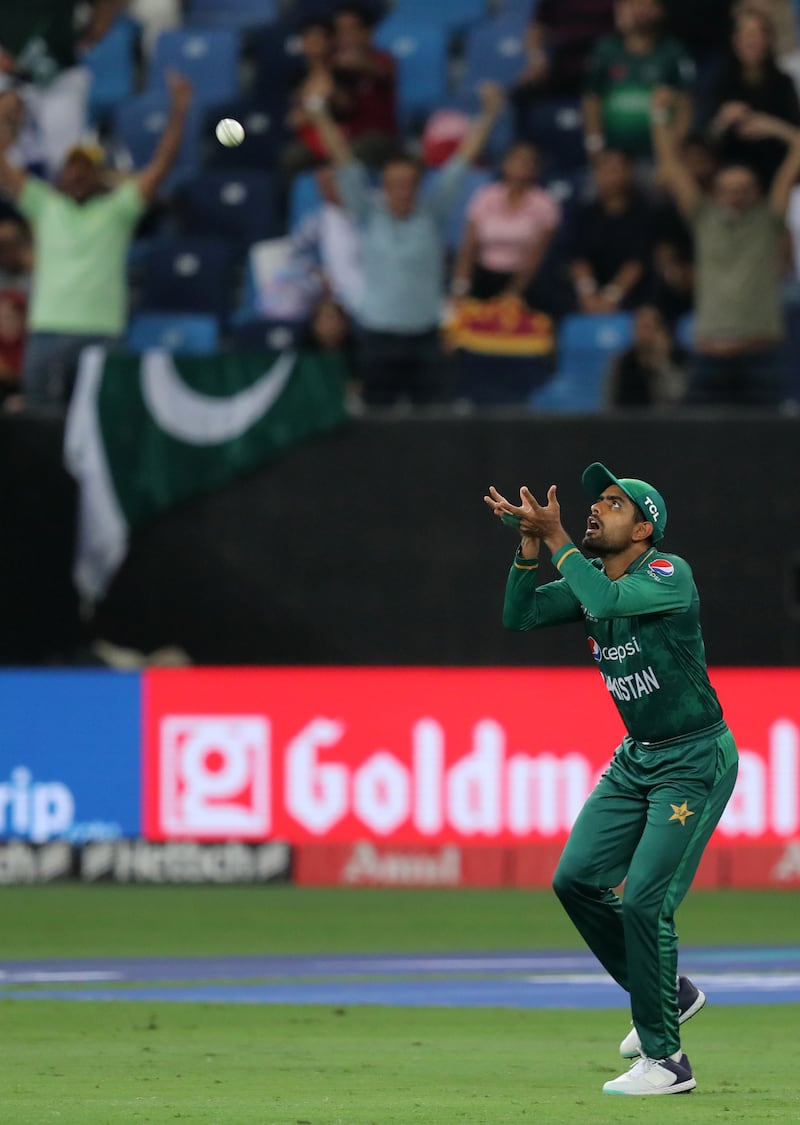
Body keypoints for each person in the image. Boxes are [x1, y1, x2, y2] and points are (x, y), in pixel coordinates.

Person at [484, 463, 739, 1096]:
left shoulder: (666, 574)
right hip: (638, 758)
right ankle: (667, 994)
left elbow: (605, 601)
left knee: (647, 900)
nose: (596, 509)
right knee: (574, 879)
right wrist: (527, 549)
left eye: (614, 504)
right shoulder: (592, 576)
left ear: (645, 528)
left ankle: (667, 1064)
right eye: (594, 500)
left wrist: (559, 540)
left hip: (693, 758)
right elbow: (519, 618)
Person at [0, 71, 193, 408]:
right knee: (39, 428)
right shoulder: (45, 204)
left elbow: (162, 164)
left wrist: (179, 112)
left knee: (103, 424)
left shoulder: (118, 209)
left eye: (84, 168)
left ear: (97, 175)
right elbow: (4, 167)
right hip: (47, 330)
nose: (75, 175)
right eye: (70, 168)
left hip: (102, 332)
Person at [306, 83, 505, 406]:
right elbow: (343, 160)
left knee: (428, 423)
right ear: (383, 187)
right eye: (394, 184)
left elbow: (461, 162)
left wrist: (490, 114)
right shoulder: (368, 215)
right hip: (377, 335)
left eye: (408, 184)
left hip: (424, 336)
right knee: (377, 421)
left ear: (418, 185)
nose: (401, 191)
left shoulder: (432, 213)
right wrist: (319, 114)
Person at [654, 87, 800, 405]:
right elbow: (670, 164)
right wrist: (661, 115)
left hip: (761, 354)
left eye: (745, 189)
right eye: (729, 190)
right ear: (716, 193)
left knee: (768, 450)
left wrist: (771, 127)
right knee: (700, 449)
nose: (737, 196)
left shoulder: (768, 218)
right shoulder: (702, 217)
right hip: (710, 354)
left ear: (758, 193)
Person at [450, 142, 561, 308]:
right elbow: (469, 247)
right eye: (516, 160)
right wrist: (460, 287)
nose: (521, 167)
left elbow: (537, 257)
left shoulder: (545, 204)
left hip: (524, 282)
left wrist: (512, 294)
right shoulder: (486, 196)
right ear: (505, 163)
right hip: (483, 278)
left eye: (527, 162)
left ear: (536, 169)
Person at [584, 0, 694, 162]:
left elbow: (685, 105)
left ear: (660, 10)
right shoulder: (605, 50)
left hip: (660, 155)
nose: (638, 10)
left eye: (646, 4)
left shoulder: (673, 51)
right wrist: (594, 143)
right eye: (632, 3)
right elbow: (591, 99)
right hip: (613, 155)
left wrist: (673, 153)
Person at [708, 7, 800, 189]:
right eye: (745, 34)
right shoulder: (722, 82)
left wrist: (772, 127)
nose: (751, 41)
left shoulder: (783, 83)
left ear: (768, 40)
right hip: (732, 178)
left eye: (756, 34)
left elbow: (797, 138)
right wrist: (722, 121)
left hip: (779, 175)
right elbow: (706, 142)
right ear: (735, 40)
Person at [570, 149, 653, 313]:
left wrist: (612, 296)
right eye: (604, 170)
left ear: (628, 173)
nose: (609, 176)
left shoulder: (643, 213)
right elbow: (579, 258)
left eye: (615, 169)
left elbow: (637, 262)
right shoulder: (586, 214)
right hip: (592, 294)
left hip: (634, 296)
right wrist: (587, 293)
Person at [605, 304, 687, 406]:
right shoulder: (622, 361)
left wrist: (661, 363)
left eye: (646, 327)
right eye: (636, 327)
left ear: (660, 331)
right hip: (628, 419)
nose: (640, 333)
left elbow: (677, 397)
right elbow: (610, 401)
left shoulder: (677, 358)